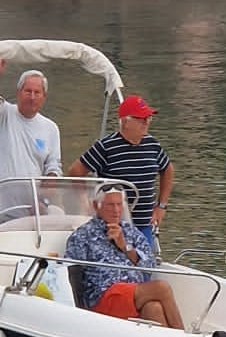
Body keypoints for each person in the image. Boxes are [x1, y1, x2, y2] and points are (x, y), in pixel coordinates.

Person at [65, 187, 185, 328]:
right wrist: (79, 314)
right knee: (161, 288)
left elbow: (150, 267)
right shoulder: (82, 236)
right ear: (96, 207)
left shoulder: (130, 231)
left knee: (154, 308)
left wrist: (125, 247)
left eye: (119, 205)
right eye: (110, 205)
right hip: (103, 296)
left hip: (134, 293)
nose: (116, 210)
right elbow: (72, 274)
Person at [72, 94, 173, 247]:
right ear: (126, 122)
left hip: (145, 225)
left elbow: (168, 170)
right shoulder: (105, 147)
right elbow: (75, 172)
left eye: (148, 118)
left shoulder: (153, 145)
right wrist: (85, 202)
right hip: (112, 226)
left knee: (144, 266)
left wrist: (161, 206)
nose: (146, 123)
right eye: (142, 119)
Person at [0, 55, 62, 222]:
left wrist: (43, 199)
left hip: (29, 212)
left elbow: (53, 167)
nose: (32, 97)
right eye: (28, 91)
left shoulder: (51, 128)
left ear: (44, 97)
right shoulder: (2, 115)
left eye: (37, 92)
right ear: (18, 93)